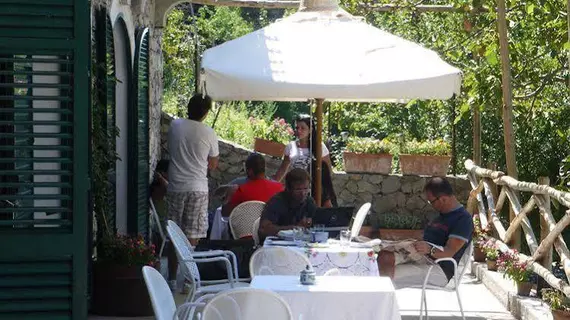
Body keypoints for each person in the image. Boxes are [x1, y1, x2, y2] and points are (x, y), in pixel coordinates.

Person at [377, 177, 474, 288]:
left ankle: (384, 297)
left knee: (383, 271)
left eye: (431, 201)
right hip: (422, 258)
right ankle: (383, 296)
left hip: (440, 269)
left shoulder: (463, 219)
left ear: (443, 199)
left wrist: (429, 249)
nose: (430, 204)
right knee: (384, 256)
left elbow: (449, 252)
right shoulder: (441, 216)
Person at [166, 94, 218, 289]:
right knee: (192, 234)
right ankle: (188, 279)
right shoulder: (209, 132)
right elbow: (213, 164)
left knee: (173, 233)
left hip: (176, 186)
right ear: (205, 112)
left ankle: (171, 277)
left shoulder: (175, 126)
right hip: (197, 187)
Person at [258, 168, 316, 243]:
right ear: (288, 189)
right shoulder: (276, 202)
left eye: (306, 188)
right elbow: (263, 230)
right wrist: (293, 228)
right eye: (298, 189)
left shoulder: (309, 202)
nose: (303, 193)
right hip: (277, 246)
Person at [221, 153, 284, 218]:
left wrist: (229, 195)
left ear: (250, 171)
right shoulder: (279, 188)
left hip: (243, 226)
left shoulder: (241, 189)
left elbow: (224, 213)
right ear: (264, 168)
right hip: (267, 226)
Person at [273, 114, 331, 182]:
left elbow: (328, 170)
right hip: (294, 187)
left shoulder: (319, 146)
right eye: (297, 128)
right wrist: (272, 183)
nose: (299, 131)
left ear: (310, 130)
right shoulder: (290, 146)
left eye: (303, 128)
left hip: (313, 188)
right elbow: (282, 169)